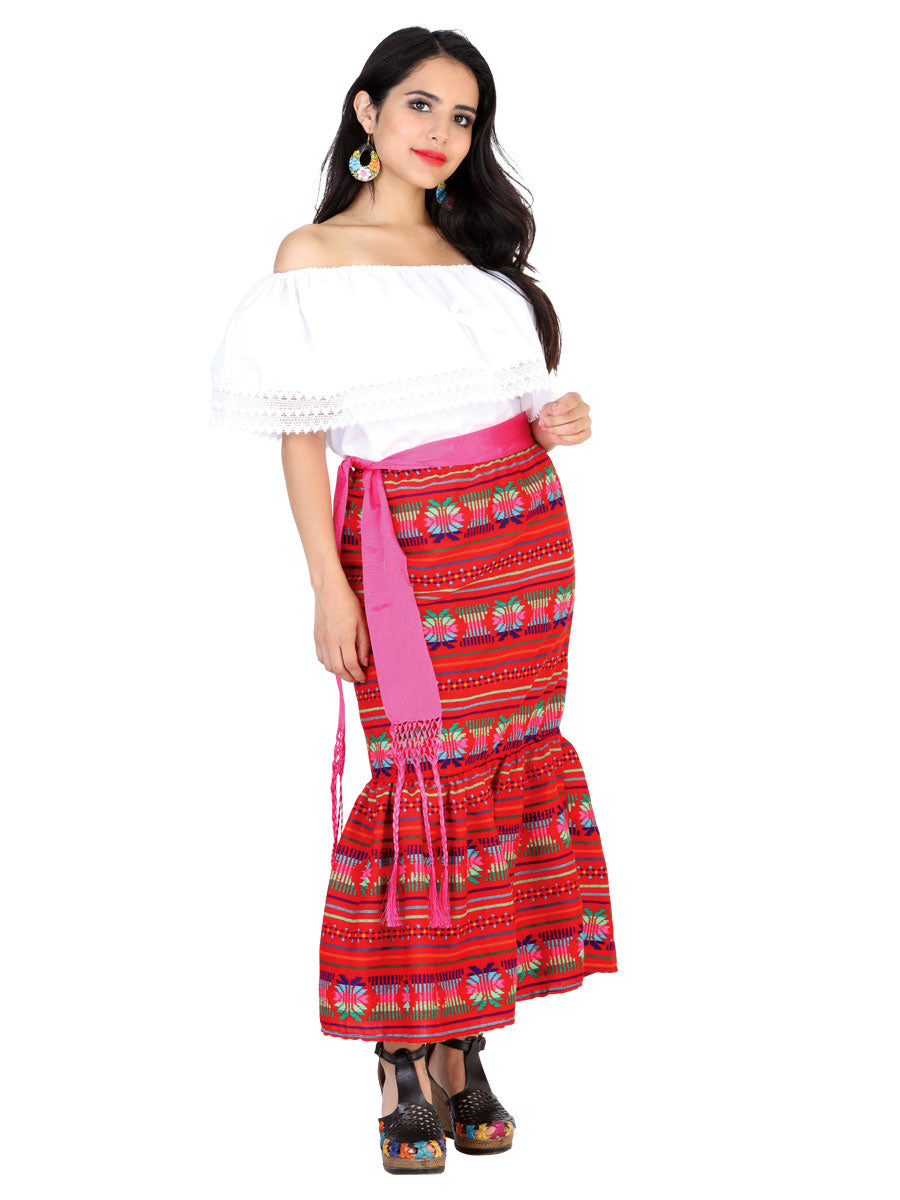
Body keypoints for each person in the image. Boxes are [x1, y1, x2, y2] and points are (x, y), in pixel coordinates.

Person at [209, 26, 617, 1176]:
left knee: (496, 781)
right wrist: (325, 586)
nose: (443, 133)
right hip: (405, 559)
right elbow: (301, 439)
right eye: (423, 106)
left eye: (464, 117)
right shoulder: (313, 254)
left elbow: (510, 405)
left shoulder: (477, 258)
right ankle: (401, 1053)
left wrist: (559, 420)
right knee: (421, 788)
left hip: (524, 550)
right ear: (368, 111)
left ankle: (462, 1041)